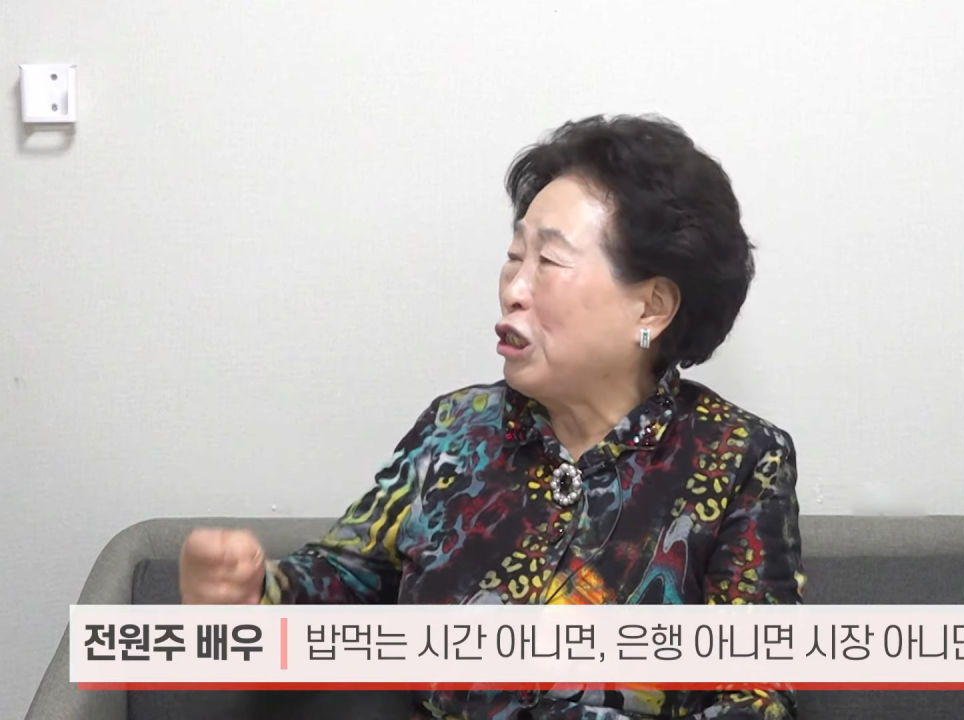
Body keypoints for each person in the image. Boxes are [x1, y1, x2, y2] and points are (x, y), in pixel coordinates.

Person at [179, 114, 805, 719]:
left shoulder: (739, 458)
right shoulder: (456, 430)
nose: (514, 288)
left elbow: (755, 697)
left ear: (651, 306)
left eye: (548, 262)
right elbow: (342, 580)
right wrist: (249, 596)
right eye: (514, 255)